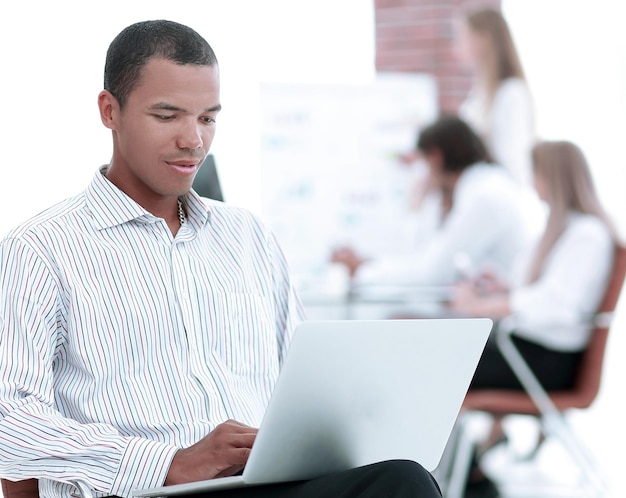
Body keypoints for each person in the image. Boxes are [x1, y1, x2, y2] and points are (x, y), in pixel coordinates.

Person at [0, 20, 441, 498]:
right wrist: (169, 462)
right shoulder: (41, 248)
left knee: (402, 479)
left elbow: (306, 384)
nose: (194, 140)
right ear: (110, 110)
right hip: (137, 492)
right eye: (167, 116)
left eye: (208, 118)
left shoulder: (247, 236)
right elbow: (9, 419)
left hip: (260, 484)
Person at [449, 140, 619, 497]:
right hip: (528, 352)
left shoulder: (587, 234)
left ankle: (467, 476)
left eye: (537, 176)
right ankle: (469, 475)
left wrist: (488, 307)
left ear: (554, 178)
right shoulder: (560, 230)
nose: (533, 184)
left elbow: (557, 304)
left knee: (444, 367)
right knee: (446, 360)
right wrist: (503, 287)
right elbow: (538, 290)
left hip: (547, 363)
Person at [332, 115, 531, 290]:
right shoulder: (483, 186)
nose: (422, 174)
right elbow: (426, 257)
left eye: (423, 163)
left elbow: (432, 273)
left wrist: (362, 272)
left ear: (435, 158)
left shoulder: (485, 196)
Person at [456, 7, 535, 190]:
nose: (458, 45)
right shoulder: (478, 95)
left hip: (502, 195)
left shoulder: (511, 93)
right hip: (482, 192)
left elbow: (512, 162)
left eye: (463, 35)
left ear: (483, 38)